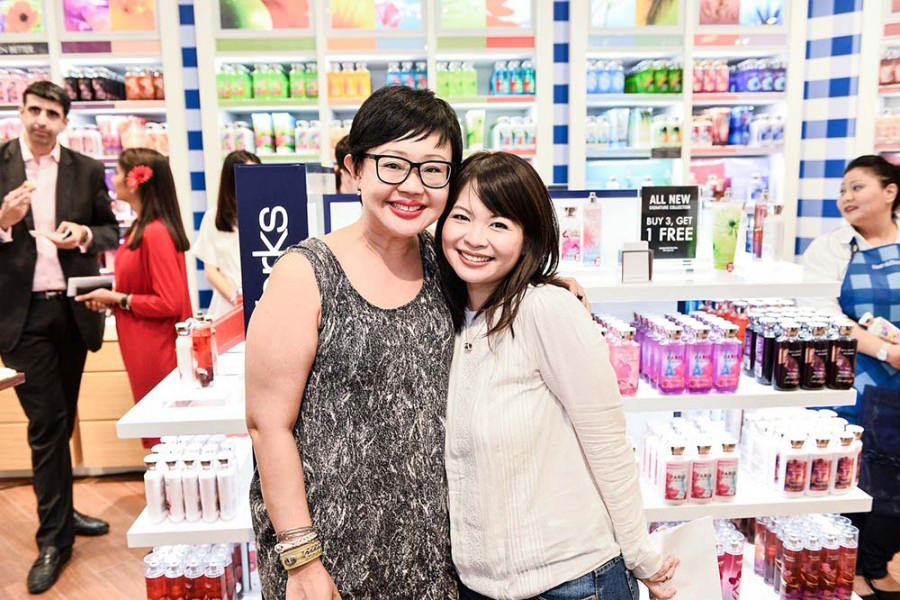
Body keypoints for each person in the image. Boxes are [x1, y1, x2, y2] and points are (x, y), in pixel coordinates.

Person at [245, 85, 462, 599]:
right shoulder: (306, 273)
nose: (413, 186)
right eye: (393, 165)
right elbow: (267, 425)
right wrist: (302, 559)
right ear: (355, 169)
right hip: (329, 557)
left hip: (437, 553)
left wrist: (556, 287)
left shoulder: (450, 265)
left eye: (433, 169)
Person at [435, 152, 678, 600]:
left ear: (529, 237)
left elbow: (606, 440)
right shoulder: (447, 317)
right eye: (461, 217)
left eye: (499, 224)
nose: (474, 238)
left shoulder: (546, 310)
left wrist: (643, 557)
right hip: (478, 586)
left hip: (572, 583)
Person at [0, 80, 117, 594]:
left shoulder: (85, 169)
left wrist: (84, 235)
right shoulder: (1, 164)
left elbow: (110, 230)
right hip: (20, 318)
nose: (42, 120)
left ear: (65, 121)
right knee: (47, 425)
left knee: (62, 419)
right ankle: (54, 540)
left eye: (52, 113)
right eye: (34, 110)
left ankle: (63, 513)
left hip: (72, 312)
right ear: (20, 111)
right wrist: (3, 222)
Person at [800, 155, 900, 599]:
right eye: (842, 190)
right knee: (856, 477)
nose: (846, 197)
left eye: (857, 187)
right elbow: (825, 315)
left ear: (890, 191)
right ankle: (853, 572)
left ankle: (878, 566)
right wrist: (887, 350)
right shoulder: (832, 248)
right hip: (852, 380)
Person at [76, 148, 193, 451]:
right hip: (142, 341)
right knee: (160, 434)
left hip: (156, 347)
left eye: (116, 172)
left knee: (165, 435)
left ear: (135, 180)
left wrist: (119, 298)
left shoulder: (155, 233)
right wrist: (114, 299)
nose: (112, 179)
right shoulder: (141, 229)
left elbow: (170, 301)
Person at [193, 150, 260, 318]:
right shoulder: (213, 218)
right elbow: (211, 270)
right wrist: (235, 297)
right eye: (246, 177)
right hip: (227, 307)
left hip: (263, 304)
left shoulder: (269, 217)